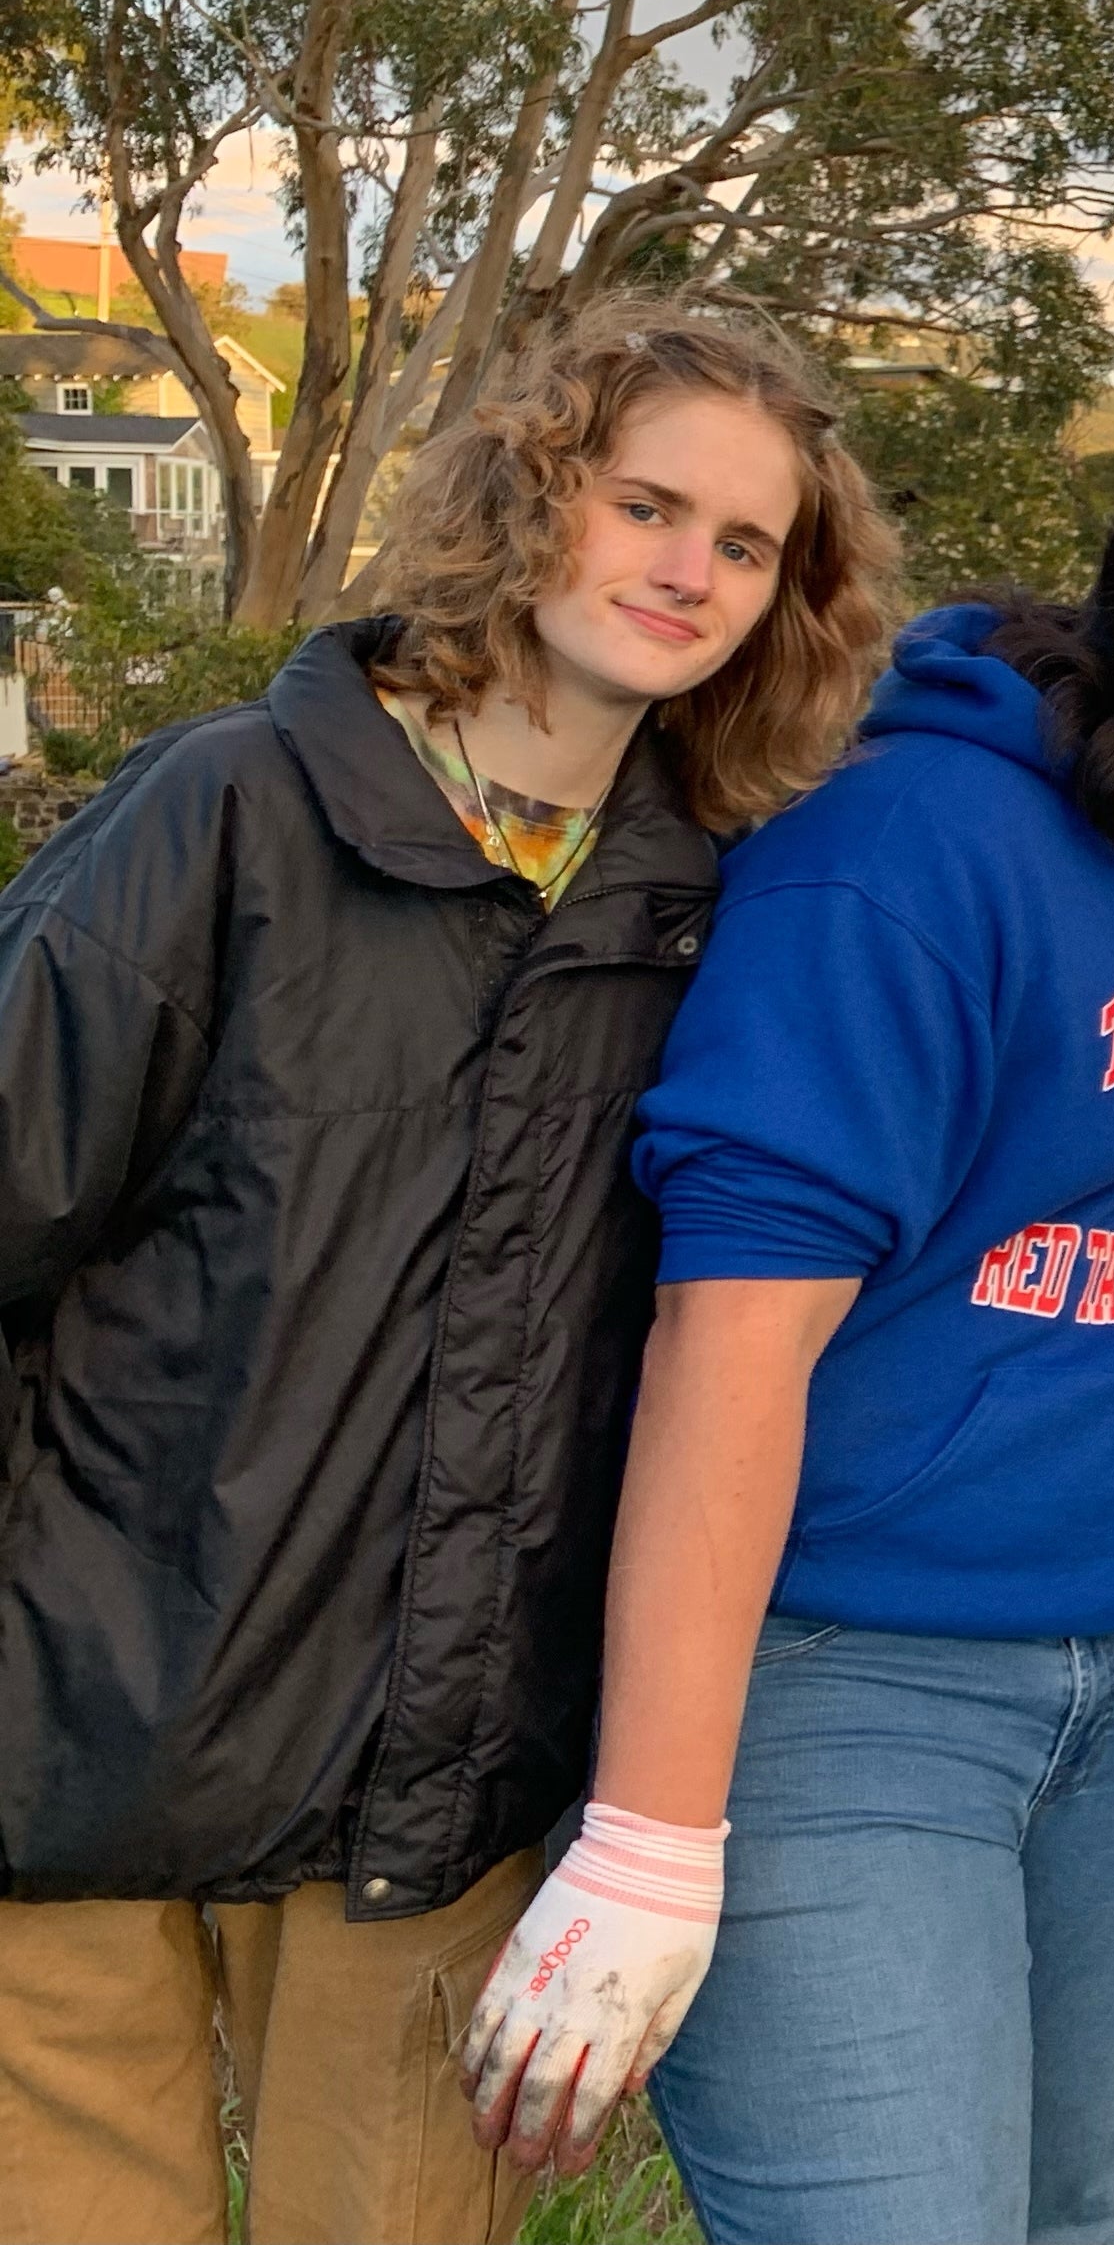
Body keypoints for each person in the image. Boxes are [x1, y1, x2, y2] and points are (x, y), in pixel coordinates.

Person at [455, 420, 1114, 2245]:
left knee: (1078, 2213)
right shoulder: (905, 847)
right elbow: (731, 1335)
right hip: (845, 1681)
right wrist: (649, 1835)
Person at [0, 300, 896, 2245]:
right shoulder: (226, 811)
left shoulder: (714, 908)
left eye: (747, 544)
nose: (691, 571)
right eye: (647, 505)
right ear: (529, 494)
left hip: (430, 1799)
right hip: (72, 1741)